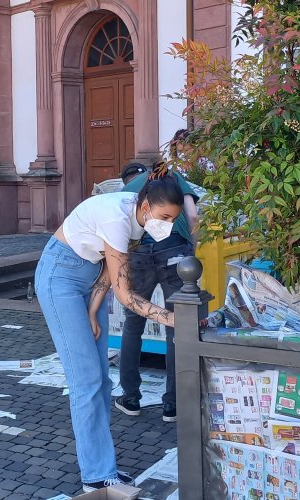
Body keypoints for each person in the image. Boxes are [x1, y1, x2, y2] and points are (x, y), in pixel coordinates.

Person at [34, 174, 184, 492]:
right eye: (166, 217)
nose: (168, 225)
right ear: (145, 205)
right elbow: (126, 295)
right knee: (86, 382)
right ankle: (96, 476)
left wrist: (91, 310)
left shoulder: (139, 220)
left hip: (87, 282)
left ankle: (104, 467)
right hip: (59, 276)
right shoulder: (117, 217)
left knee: (102, 380)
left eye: (174, 219)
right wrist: (171, 318)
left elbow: (106, 267)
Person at [114, 156, 201, 423]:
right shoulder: (175, 178)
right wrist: (192, 250)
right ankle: (173, 404)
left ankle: (130, 397)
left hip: (137, 252)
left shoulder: (129, 189)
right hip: (174, 250)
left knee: (133, 321)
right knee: (177, 325)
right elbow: (193, 215)